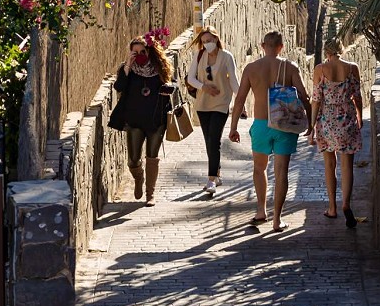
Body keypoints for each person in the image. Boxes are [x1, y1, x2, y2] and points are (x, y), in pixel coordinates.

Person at [228, 31, 310, 232]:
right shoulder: (290, 67)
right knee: (281, 171)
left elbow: (239, 100)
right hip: (284, 126)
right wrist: (312, 123)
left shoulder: (251, 68)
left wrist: (233, 127)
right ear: (281, 46)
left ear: (262, 45)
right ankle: (277, 220)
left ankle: (261, 211)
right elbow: (304, 96)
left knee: (259, 168)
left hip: (261, 125)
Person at [114, 37, 175, 207]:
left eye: (143, 51)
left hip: (156, 120)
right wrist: (128, 64)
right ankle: (138, 177)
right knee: (133, 159)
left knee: (152, 156)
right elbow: (119, 87)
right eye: (136, 52)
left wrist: (169, 89)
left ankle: (151, 194)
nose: (140, 55)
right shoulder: (127, 70)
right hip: (134, 121)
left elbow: (173, 83)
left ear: (149, 51)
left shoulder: (160, 68)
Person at [309, 39, 364, 228]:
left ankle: (332, 207)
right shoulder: (352, 68)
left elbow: (316, 100)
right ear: (341, 50)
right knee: (347, 164)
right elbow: (357, 95)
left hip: (327, 119)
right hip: (347, 116)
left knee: (329, 163)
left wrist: (311, 125)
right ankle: (346, 204)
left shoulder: (320, 69)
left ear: (326, 52)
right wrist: (359, 116)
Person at [185, 26, 237, 196]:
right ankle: (218, 173)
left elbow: (234, 82)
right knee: (209, 141)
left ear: (216, 39)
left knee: (214, 139)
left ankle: (211, 180)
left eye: (209, 40)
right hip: (203, 103)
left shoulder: (226, 57)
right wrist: (204, 87)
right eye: (204, 41)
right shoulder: (199, 56)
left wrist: (241, 100)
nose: (207, 44)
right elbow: (190, 78)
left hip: (221, 104)